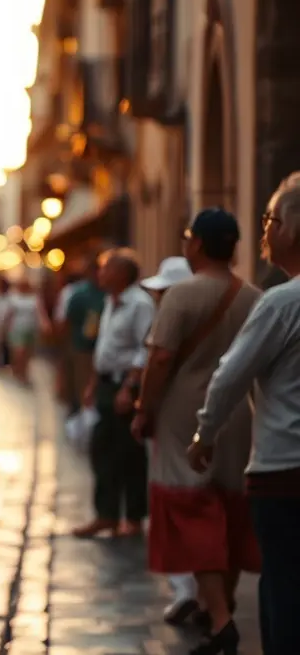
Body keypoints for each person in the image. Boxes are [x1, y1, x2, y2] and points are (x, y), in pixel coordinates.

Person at [136, 222, 260, 653]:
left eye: (187, 236)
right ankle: (218, 604)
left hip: (182, 415)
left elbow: (161, 357)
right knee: (230, 507)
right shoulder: (253, 296)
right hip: (238, 415)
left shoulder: (182, 294)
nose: (185, 243)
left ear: (199, 243)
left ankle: (222, 618)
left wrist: (143, 409)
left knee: (192, 510)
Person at [189, 178, 300, 654]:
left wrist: (205, 434)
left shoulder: (281, 302)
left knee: (284, 587)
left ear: (293, 230)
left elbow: (229, 376)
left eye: (271, 220)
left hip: (284, 470)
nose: (265, 231)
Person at [132, 256, 202, 626]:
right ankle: (202, 592)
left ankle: (186, 587)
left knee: (172, 497)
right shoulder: (209, 314)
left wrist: (143, 408)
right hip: (204, 418)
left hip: (174, 419)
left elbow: (157, 364)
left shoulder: (171, 320)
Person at [72, 248, 154, 539]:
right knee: (101, 449)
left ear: (121, 273)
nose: (100, 274)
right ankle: (105, 514)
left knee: (128, 453)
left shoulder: (139, 304)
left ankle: (133, 517)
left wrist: (130, 387)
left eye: (106, 268)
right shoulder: (110, 301)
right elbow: (105, 347)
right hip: (107, 383)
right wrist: (93, 383)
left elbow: (145, 348)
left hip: (125, 386)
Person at [61, 261, 105, 414]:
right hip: (83, 348)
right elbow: (67, 323)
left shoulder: (107, 293)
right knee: (83, 387)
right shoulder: (79, 294)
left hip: (101, 348)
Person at [3, 276, 40, 384]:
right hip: (17, 328)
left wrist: (43, 324)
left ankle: (24, 371)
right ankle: (17, 369)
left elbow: (39, 312)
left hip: (30, 328)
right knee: (19, 351)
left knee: (27, 352)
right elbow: (9, 314)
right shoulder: (13, 298)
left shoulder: (34, 298)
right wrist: (6, 327)